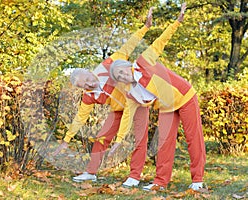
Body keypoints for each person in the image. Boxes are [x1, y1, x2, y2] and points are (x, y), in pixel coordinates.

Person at [108, 2, 207, 191]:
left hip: (185, 96)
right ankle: (160, 182)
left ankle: (198, 180)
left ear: (127, 66)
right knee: (164, 143)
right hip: (167, 107)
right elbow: (127, 117)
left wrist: (177, 22)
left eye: (122, 71)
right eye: (118, 77)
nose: (122, 76)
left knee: (193, 137)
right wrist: (119, 141)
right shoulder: (131, 93)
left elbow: (161, 41)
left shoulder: (143, 61)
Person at [52, 7, 154, 188]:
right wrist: (65, 141)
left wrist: (145, 28)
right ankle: (90, 173)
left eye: (89, 80)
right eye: (84, 85)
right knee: (101, 138)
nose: (90, 84)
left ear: (91, 72)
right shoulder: (88, 96)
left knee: (139, 138)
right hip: (118, 111)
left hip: (136, 103)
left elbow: (128, 46)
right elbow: (79, 118)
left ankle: (134, 176)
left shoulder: (107, 66)